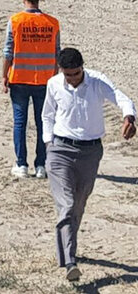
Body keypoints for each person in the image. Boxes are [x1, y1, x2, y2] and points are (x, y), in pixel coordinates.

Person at [42, 47, 135, 282]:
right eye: (68, 75)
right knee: (67, 204)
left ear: (83, 67)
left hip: (91, 151)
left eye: (76, 73)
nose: (72, 79)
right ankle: (69, 261)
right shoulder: (54, 84)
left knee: (79, 204)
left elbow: (121, 97)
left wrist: (129, 117)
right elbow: (47, 115)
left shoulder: (96, 81)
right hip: (60, 150)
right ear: (61, 71)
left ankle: (67, 245)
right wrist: (48, 143)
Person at [2, 0, 60, 179]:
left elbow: (8, 52)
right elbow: (56, 54)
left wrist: (4, 76)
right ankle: (41, 166)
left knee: (20, 122)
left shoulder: (16, 21)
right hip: (45, 81)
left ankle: (21, 165)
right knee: (43, 123)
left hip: (18, 79)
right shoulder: (52, 23)